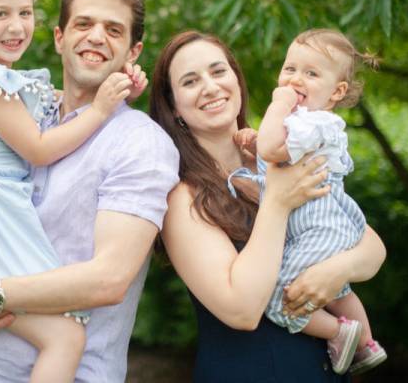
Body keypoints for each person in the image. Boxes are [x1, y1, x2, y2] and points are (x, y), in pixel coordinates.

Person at [0, 0, 181, 382]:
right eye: (84, 24)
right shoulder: (23, 113)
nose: (97, 37)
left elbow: (110, 279)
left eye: (114, 30)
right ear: (60, 37)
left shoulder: (140, 144)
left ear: (133, 52)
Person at [149, 30, 387, 382]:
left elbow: (369, 246)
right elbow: (242, 310)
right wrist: (276, 200)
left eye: (218, 72)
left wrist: (336, 271)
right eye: (190, 81)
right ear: (173, 106)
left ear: (236, 79)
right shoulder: (182, 196)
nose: (210, 87)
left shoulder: (282, 155)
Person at [234, 28, 387, 375]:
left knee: (279, 296)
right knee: (337, 291)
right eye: (290, 69)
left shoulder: (317, 122)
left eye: (311, 73)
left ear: (337, 92)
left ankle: (340, 332)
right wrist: (255, 140)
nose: (295, 79)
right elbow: (277, 153)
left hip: (317, 226)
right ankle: (366, 345)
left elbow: (274, 151)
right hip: (322, 226)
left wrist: (277, 106)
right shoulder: (304, 124)